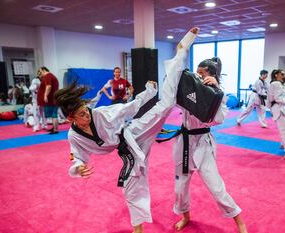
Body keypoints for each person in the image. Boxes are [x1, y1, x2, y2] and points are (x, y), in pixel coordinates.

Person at [55, 28, 199, 233]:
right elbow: (77, 156)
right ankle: (138, 228)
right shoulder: (74, 136)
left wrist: (149, 92)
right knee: (132, 186)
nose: (87, 114)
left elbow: (128, 108)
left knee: (166, 105)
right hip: (127, 150)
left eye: (85, 110)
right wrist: (78, 167)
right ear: (70, 119)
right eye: (81, 114)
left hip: (134, 132)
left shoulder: (100, 114)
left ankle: (180, 53)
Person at [166, 57, 247, 233]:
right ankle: (185, 217)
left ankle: (240, 222)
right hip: (184, 143)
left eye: (202, 74)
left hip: (203, 145)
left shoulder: (218, 96)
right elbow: (173, 80)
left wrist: (216, 90)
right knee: (180, 188)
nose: (199, 77)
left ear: (212, 76)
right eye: (198, 73)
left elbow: (218, 119)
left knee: (216, 187)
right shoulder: (190, 90)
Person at [37, 66, 60, 134]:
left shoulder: (48, 76)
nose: (39, 73)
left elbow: (48, 86)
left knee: (54, 114)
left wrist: (45, 95)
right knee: (53, 114)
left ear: (44, 70)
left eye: (40, 71)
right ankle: (54, 128)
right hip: (53, 99)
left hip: (52, 99)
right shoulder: (50, 76)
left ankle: (55, 130)